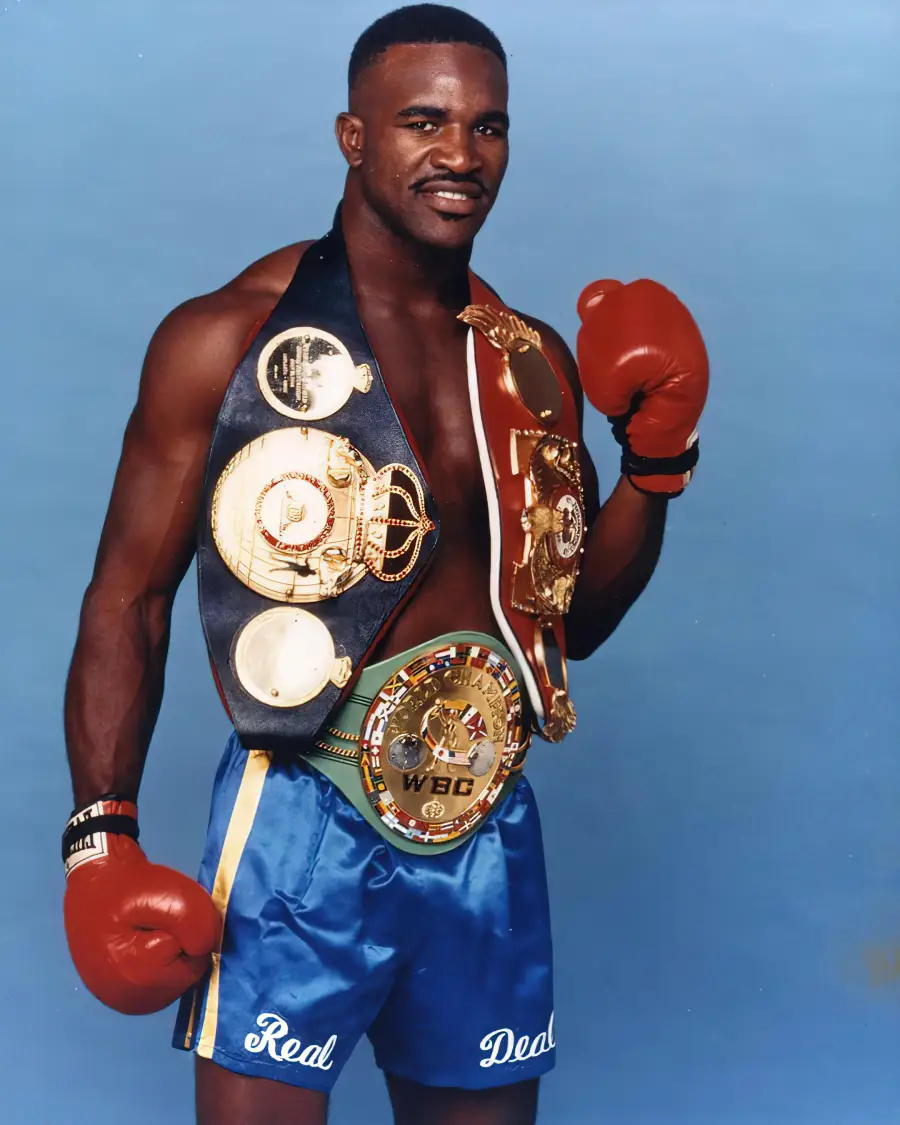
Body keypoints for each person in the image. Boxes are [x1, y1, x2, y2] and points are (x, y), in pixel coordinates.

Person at [61, 5, 708, 1124]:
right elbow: (128, 600)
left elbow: (574, 624)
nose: (462, 154)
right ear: (353, 136)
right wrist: (100, 841)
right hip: (304, 825)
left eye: (488, 126)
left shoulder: (531, 367)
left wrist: (656, 463)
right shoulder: (224, 341)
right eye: (424, 121)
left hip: (487, 823)